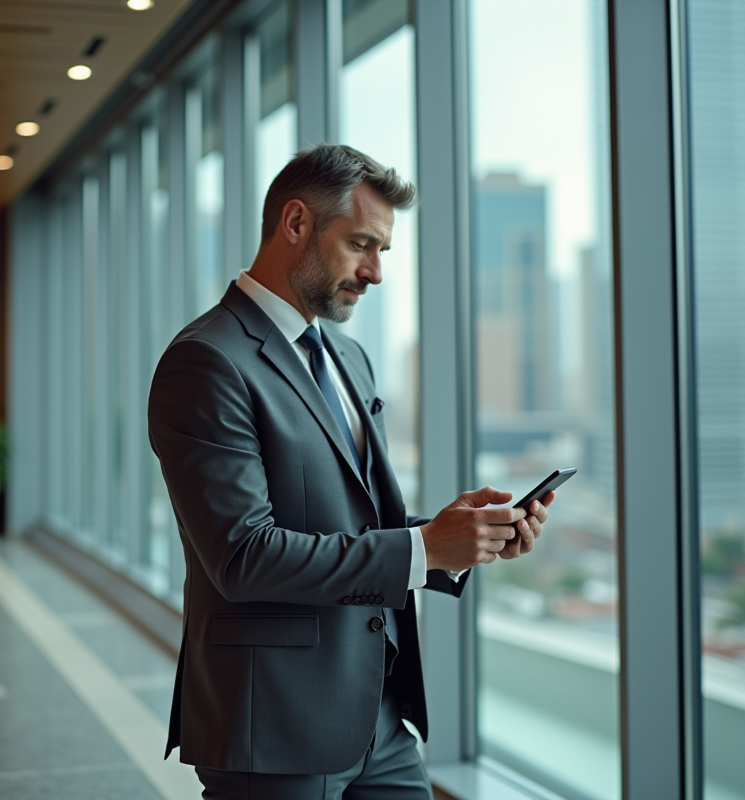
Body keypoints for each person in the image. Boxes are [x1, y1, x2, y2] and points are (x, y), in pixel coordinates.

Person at [147, 144, 554, 799]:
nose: (375, 273)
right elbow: (243, 557)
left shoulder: (350, 357)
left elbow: (352, 523)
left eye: (383, 252)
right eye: (362, 244)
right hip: (274, 724)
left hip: (379, 715)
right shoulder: (206, 363)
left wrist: (458, 539)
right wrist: (421, 549)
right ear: (297, 223)